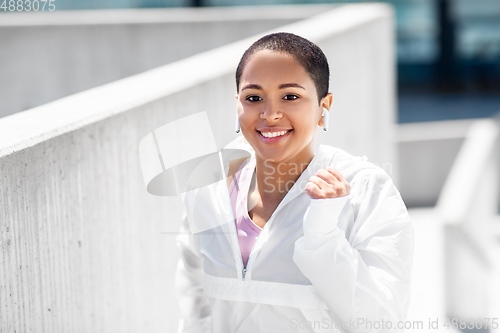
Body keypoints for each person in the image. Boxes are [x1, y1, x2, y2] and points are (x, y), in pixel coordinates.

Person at [174, 32, 414, 333]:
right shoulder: (207, 187)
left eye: (290, 96)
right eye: (253, 97)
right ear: (237, 104)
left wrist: (323, 235)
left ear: (323, 106)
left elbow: (382, 323)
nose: (270, 114)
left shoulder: (366, 189)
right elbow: (194, 304)